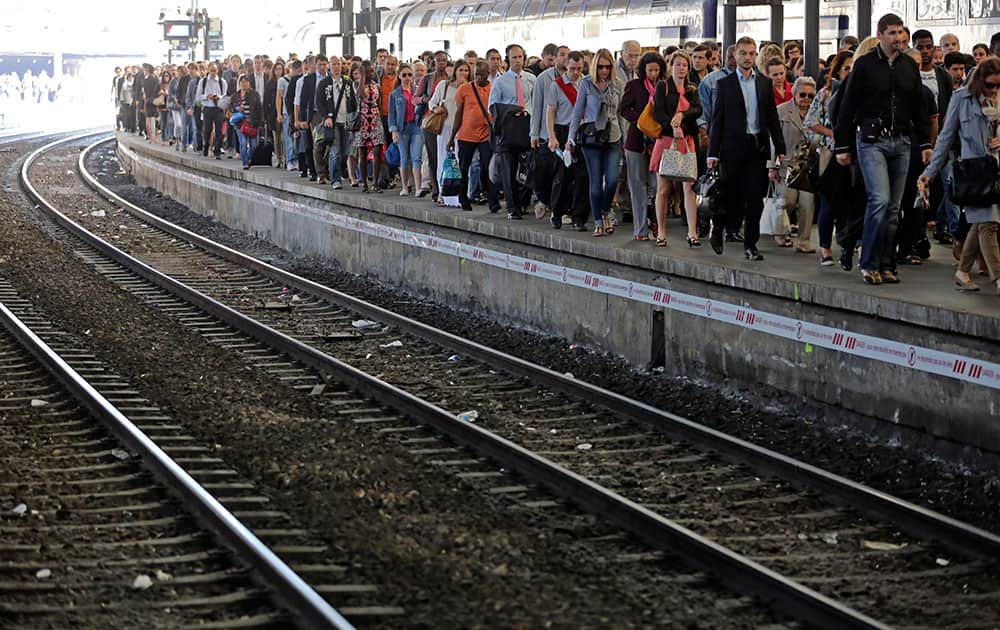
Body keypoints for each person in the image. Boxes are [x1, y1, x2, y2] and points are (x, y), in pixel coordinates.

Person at [834, 13, 932, 285]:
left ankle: (887, 265)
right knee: (879, 200)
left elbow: (918, 107)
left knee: (893, 207)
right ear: (880, 35)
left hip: (902, 141)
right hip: (871, 140)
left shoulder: (909, 67)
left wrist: (925, 143)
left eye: (900, 32)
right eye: (892, 33)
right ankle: (868, 262)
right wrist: (842, 145)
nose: (898, 38)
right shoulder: (864, 65)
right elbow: (847, 107)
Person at [920, 56, 1000, 294]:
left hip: (996, 170)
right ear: (979, 82)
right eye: (990, 85)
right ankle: (998, 278)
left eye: (997, 85)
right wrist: (929, 173)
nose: (994, 90)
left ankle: (962, 271)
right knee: (988, 223)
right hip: (974, 172)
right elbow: (945, 138)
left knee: (982, 223)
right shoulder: (961, 99)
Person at [707, 37, 785, 260]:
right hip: (731, 148)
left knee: (754, 198)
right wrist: (713, 153)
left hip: (756, 147)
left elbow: (771, 118)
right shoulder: (725, 84)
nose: (748, 58)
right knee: (729, 195)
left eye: (751, 53)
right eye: (743, 53)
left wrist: (780, 147)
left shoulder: (763, 83)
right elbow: (717, 120)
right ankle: (718, 227)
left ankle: (751, 245)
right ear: (735, 56)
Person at [805, 50, 854, 265]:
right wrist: (832, 133)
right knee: (829, 201)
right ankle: (825, 248)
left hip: (855, 153)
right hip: (830, 151)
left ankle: (848, 243)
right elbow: (810, 121)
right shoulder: (826, 93)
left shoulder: (861, 92)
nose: (850, 73)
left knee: (851, 201)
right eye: (846, 69)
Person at [568, 48, 623, 237]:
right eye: (601, 67)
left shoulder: (618, 85)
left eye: (608, 67)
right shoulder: (586, 84)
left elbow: (621, 113)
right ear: (594, 67)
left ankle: (606, 210)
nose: (604, 71)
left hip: (613, 136)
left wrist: (625, 137)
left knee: (613, 179)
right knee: (595, 181)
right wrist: (570, 138)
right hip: (591, 138)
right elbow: (577, 112)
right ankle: (598, 220)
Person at [650, 50, 702, 246]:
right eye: (678, 64)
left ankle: (692, 232)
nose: (681, 68)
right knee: (664, 188)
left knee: (689, 187)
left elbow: (698, 109)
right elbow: (659, 114)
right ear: (671, 66)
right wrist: (673, 127)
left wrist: (683, 116)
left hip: (687, 141)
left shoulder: (691, 89)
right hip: (666, 141)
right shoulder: (663, 87)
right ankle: (661, 232)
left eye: (684, 65)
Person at [619, 51, 665, 241]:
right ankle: (640, 229)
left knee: (657, 185)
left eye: (657, 70)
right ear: (643, 70)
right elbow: (623, 109)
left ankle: (655, 221)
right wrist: (640, 121)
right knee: (637, 185)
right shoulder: (634, 86)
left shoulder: (665, 87)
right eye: (650, 70)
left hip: (659, 141)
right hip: (636, 142)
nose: (653, 74)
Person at [488, 43, 537, 219]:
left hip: (527, 127)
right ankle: (512, 207)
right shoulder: (500, 82)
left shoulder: (531, 79)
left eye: (520, 57)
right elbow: (492, 106)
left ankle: (523, 202)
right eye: (514, 57)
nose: (518, 60)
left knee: (527, 166)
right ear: (507, 59)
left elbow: (536, 102)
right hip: (509, 129)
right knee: (508, 170)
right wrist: (509, 111)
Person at [448, 60, 500, 212]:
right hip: (466, 135)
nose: (479, 78)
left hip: (485, 135)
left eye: (482, 75)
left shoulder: (493, 89)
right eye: (476, 75)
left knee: (488, 168)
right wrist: (452, 137)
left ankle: (493, 201)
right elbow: (458, 114)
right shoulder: (465, 89)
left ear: (488, 75)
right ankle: (463, 198)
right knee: (464, 168)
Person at [545, 51, 589, 229]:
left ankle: (579, 216)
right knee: (562, 177)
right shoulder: (557, 86)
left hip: (582, 131)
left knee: (582, 177)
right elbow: (550, 112)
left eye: (579, 69)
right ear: (566, 67)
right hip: (563, 131)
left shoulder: (586, 82)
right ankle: (557, 211)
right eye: (572, 69)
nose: (575, 73)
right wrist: (552, 137)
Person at [778, 76, 819, 252]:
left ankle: (804, 241)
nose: (806, 99)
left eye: (811, 96)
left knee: (807, 204)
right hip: (786, 165)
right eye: (803, 94)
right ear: (794, 94)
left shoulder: (817, 113)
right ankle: (781, 233)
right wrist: (770, 166)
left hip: (808, 167)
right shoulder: (781, 111)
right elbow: (774, 140)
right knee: (787, 201)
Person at [530, 45, 569, 217]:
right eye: (562, 55)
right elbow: (537, 107)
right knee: (544, 171)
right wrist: (534, 134)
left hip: (566, 133)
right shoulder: (543, 79)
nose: (565, 58)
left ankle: (558, 208)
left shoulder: (575, 79)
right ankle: (543, 199)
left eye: (568, 55)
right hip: (546, 134)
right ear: (555, 57)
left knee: (563, 173)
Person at [429, 60, 470, 207]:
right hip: (446, 127)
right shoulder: (444, 86)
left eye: (466, 71)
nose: (463, 73)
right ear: (455, 71)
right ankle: (443, 192)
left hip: (463, 129)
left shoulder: (469, 88)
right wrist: (436, 109)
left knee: (461, 161)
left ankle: (460, 194)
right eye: (461, 70)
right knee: (444, 159)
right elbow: (432, 102)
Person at [415, 51, 450, 199]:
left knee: (449, 155)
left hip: (448, 121)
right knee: (433, 156)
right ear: (433, 63)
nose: (441, 63)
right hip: (431, 122)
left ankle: (448, 188)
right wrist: (425, 100)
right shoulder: (428, 79)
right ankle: (436, 189)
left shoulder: (451, 78)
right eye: (438, 61)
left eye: (443, 61)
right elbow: (415, 98)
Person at [318, 56, 355, 189]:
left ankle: (335, 170)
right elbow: (319, 102)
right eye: (333, 64)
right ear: (329, 66)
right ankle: (335, 179)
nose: (336, 67)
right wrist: (325, 117)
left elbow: (353, 101)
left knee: (345, 152)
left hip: (345, 121)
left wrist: (353, 116)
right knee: (335, 151)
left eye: (338, 64)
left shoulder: (347, 81)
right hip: (332, 122)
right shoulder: (324, 83)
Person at [388, 63, 424, 196]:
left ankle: (418, 187)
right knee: (404, 157)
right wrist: (394, 131)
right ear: (399, 76)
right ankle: (404, 187)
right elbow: (391, 114)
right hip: (401, 128)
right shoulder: (395, 94)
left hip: (416, 126)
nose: (407, 77)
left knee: (416, 157)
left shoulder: (417, 91)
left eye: (409, 74)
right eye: (404, 75)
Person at [353, 61, 386, 193]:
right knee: (362, 152)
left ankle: (375, 183)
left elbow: (380, 103)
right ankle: (364, 182)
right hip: (362, 118)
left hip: (375, 118)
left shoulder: (377, 85)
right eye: (367, 72)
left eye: (372, 71)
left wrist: (381, 122)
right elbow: (360, 95)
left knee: (377, 151)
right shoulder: (357, 84)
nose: (371, 74)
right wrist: (361, 78)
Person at [234, 75, 263, 169]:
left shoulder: (254, 94)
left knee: (254, 145)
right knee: (242, 143)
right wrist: (237, 108)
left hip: (252, 123)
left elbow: (259, 108)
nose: (244, 84)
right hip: (240, 123)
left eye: (246, 81)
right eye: (242, 82)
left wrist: (260, 121)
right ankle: (245, 162)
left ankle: (249, 158)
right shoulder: (236, 95)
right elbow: (230, 107)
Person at [281, 60, 302, 172]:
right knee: (290, 138)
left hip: (302, 114)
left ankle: (298, 160)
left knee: (298, 139)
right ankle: (290, 160)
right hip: (291, 113)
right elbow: (288, 98)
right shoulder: (292, 80)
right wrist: (290, 113)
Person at [267, 61, 285, 168]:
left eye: (280, 69)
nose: (278, 71)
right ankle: (279, 158)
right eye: (276, 69)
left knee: (284, 137)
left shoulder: (286, 81)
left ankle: (285, 157)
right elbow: (267, 100)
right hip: (273, 114)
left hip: (285, 112)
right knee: (276, 137)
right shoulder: (270, 84)